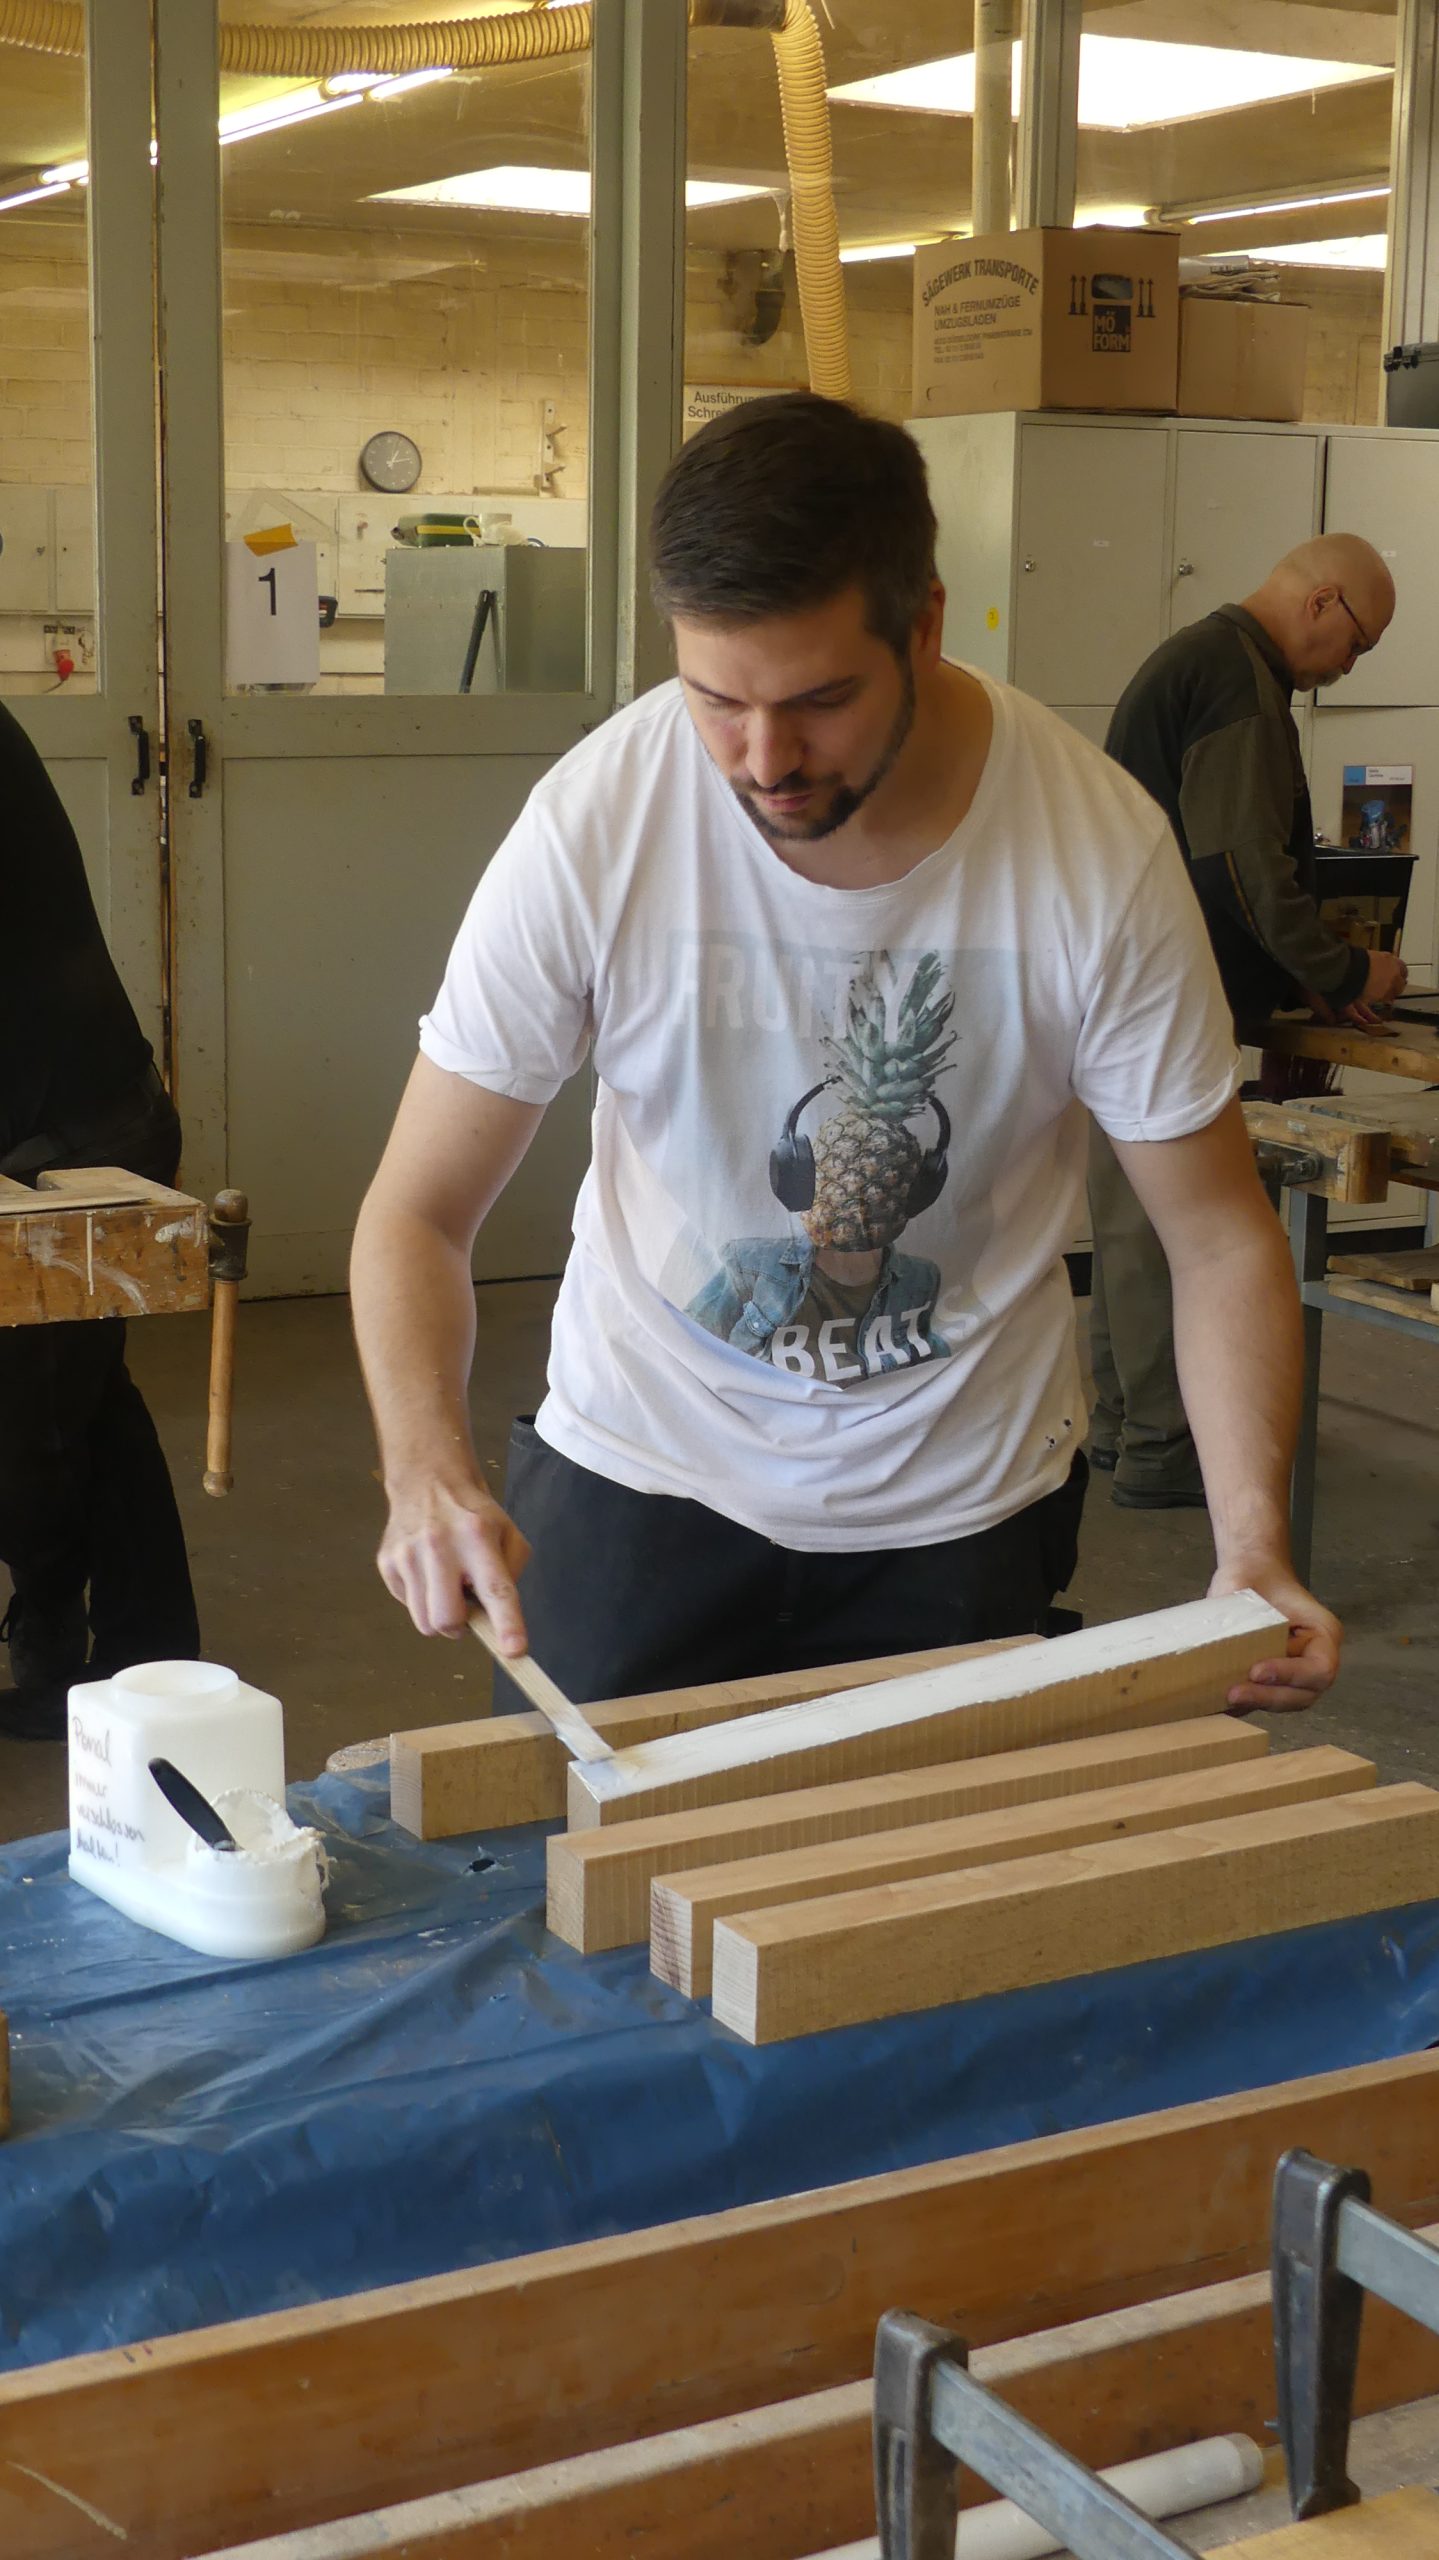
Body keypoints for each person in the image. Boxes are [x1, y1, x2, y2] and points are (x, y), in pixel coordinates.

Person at [351, 393, 1339, 1718]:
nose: (762, 761)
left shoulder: (1093, 853)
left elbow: (1214, 1237)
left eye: (817, 701)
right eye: (715, 701)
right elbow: (416, 1212)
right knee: (563, 1843)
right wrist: (424, 1470)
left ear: (923, 625)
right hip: (640, 1470)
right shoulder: (597, 821)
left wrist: (1249, 1547)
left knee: (929, 1857)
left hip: (960, 1512)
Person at [1091, 536, 1407, 1508]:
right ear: (1321, 601)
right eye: (1356, 644)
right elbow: (1239, 866)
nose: (1347, 669)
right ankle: (1161, 1449)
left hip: (1125, 986)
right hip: (1155, 995)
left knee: (1130, 1218)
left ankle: (1122, 1429)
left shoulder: (1209, 661)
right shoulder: (1235, 679)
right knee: (1170, 1227)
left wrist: (1294, 978)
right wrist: (1343, 966)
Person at [0, 701, 199, 1741]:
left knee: (33, 1412)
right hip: (67, 1111)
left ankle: (71, 1646)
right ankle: (145, 1647)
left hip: (75, 1133)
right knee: (77, 1398)